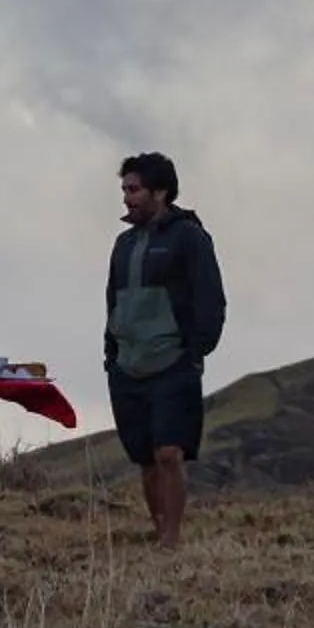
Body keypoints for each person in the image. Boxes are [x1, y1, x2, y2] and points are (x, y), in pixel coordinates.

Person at [104, 151, 227, 548]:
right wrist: (111, 356)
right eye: (124, 189)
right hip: (127, 366)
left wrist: (196, 351)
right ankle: (159, 534)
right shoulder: (123, 244)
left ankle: (171, 541)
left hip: (174, 363)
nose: (127, 198)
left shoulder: (189, 237)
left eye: (134, 189)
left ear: (161, 191)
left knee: (169, 453)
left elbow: (211, 298)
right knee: (145, 458)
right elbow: (113, 301)